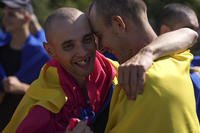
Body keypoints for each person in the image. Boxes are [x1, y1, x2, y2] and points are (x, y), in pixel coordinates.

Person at [3, 6, 199, 133]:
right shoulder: (40, 103)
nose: (84, 52)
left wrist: (148, 53)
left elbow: (189, 34)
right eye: (68, 45)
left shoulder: (123, 74)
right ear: (50, 50)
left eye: (89, 39)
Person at [89, 0, 200, 132]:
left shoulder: (135, 82)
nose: (100, 47)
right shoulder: (180, 58)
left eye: (100, 36)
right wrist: (148, 52)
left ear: (118, 24)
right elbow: (189, 34)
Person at [0, 0, 50, 130]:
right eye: (4, 14)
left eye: (11, 15)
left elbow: (51, 93)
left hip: (25, 124)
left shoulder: (40, 54)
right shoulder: (1, 48)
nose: (5, 19)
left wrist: (22, 87)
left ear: (26, 18)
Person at [156, 3, 200, 120]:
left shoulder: (195, 61)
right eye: (189, 28)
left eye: (198, 28)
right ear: (165, 31)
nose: (196, 34)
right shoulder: (154, 68)